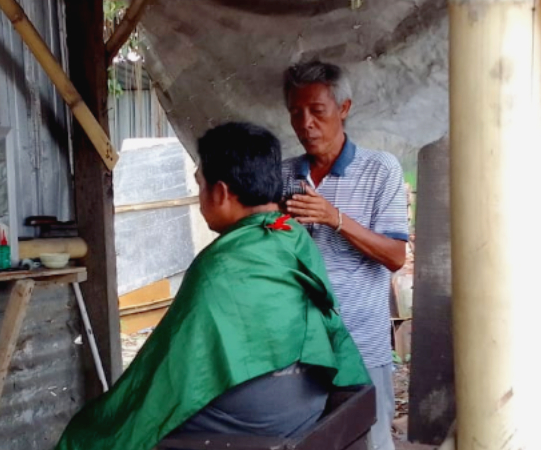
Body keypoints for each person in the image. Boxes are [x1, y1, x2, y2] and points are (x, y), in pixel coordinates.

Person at [55, 122, 370, 450]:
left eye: (200, 185)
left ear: (220, 192)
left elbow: (171, 371)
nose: (200, 196)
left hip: (254, 421)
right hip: (307, 402)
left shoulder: (219, 265)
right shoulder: (290, 233)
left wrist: (112, 417)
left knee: (97, 431)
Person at [281, 61, 409, 450]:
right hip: (299, 351)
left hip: (361, 345)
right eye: (296, 113)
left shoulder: (380, 169)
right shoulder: (284, 174)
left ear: (344, 109)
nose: (306, 123)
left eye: (317, 111)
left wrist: (335, 218)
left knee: (368, 441)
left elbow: (395, 256)